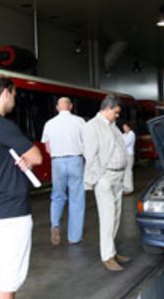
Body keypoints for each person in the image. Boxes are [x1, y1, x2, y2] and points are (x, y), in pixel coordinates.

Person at [0, 75, 42, 299]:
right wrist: (29, 158)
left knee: (5, 268)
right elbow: (37, 156)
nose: (14, 100)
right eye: (13, 95)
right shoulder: (1, 125)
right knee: (9, 274)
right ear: (5, 93)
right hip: (12, 208)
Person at [82, 95, 130, 272]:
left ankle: (112, 251)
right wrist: (99, 177)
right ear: (107, 109)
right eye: (116, 112)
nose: (118, 116)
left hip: (117, 177)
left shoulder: (113, 126)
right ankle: (106, 256)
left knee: (116, 216)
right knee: (108, 217)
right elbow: (90, 155)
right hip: (104, 178)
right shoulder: (92, 126)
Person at [40, 97, 86, 245]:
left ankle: (55, 225)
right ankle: (74, 237)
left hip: (57, 161)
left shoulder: (49, 124)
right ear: (70, 106)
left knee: (57, 196)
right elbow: (86, 143)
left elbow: (47, 148)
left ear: (57, 108)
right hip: (76, 160)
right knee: (77, 198)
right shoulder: (79, 121)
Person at [121, 122, 136, 195]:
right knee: (124, 172)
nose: (124, 128)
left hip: (129, 155)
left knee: (128, 171)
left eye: (125, 127)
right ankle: (125, 187)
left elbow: (125, 143)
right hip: (124, 155)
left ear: (129, 127)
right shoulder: (124, 134)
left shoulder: (131, 134)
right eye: (123, 127)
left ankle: (129, 189)